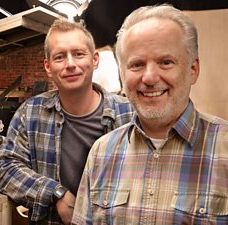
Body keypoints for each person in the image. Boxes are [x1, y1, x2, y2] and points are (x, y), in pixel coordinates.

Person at [72, 4, 228, 224]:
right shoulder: (101, 153)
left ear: (193, 69)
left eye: (166, 62)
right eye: (137, 64)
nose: (150, 77)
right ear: (123, 75)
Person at [0, 18, 134, 225]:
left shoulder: (128, 114)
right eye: (60, 57)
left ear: (94, 59)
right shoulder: (31, 113)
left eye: (78, 54)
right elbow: (5, 167)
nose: (70, 64)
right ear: (48, 67)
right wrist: (54, 192)